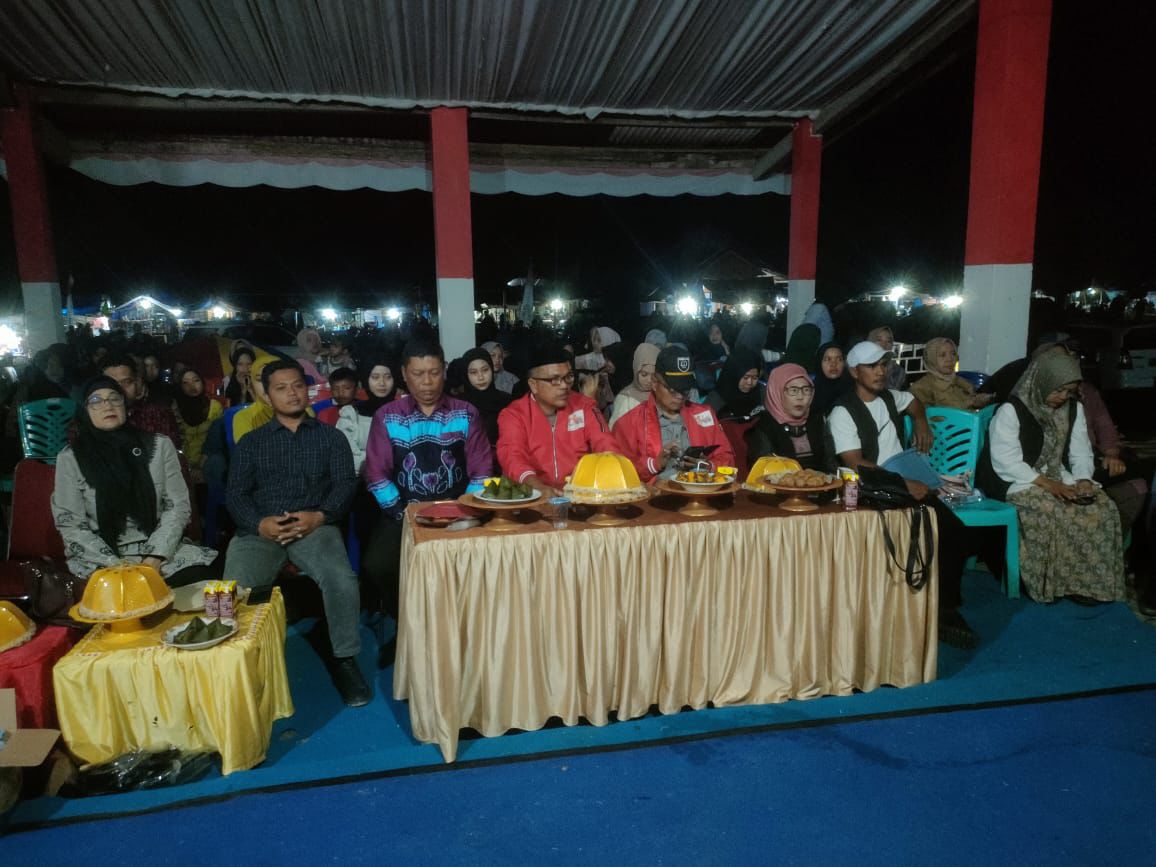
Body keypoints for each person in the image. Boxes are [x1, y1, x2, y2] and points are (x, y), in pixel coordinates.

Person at [224, 360, 370, 707]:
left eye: (297, 386)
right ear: (267, 396)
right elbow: (236, 495)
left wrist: (320, 516)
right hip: (262, 529)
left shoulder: (331, 438)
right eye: (281, 388)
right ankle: (235, 664)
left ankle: (344, 658)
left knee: (341, 579)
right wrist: (259, 524)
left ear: (307, 390)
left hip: (313, 526)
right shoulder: (252, 442)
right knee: (232, 589)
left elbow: (344, 484)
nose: (292, 393)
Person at [830, 341, 977, 649]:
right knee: (932, 530)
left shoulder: (890, 396)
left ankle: (944, 609)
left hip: (904, 480)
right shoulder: (842, 411)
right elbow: (856, 462)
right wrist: (903, 483)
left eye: (883, 365)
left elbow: (912, 401)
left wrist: (921, 421)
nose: (880, 371)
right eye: (872, 366)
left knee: (956, 533)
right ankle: (925, 610)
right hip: (873, 486)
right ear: (855, 372)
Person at [976, 352, 1125, 604]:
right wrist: (1049, 485)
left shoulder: (1074, 409)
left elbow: (1080, 451)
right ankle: (1047, 583)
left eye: (1068, 392)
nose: (1063, 397)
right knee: (1050, 508)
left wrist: (1083, 479)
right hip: (1014, 479)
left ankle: (1087, 585)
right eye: (1058, 390)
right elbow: (1006, 461)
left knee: (1102, 507)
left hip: (1055, 474)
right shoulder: (1012, 410)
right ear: (1041, 381)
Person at [362, 340, 493, 624]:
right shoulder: (387, 416)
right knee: (379, 565)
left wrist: (463, 512)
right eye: (418, 373)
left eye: (434, 372)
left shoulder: (466, 413)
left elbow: (482, 471)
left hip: (459, 509)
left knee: (480, 560)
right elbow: (376, 473)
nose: (427, 382)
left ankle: (463, 623)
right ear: (404, 374)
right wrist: (403, 515)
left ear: (443, 371)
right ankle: (408, 622)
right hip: (403, 511)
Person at [52, 377, 217, 584]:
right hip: (101, 558)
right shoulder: (71, 458)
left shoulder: (159, 446)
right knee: (119, 591)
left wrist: (155, 557)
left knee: (200, 579)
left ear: (126, 406)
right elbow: (71, 524)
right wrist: (116, 565)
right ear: (84, 411)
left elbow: (177, 507)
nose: (108, 405)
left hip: (158, 551)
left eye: (114, 398)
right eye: (96, 401)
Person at [496, 341, 619, 494]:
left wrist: (615, 471)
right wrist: (538, 488)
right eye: (554, 380)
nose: (564, 386)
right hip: (530, 496)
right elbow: (513, 457)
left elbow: (606, 443)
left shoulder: (584, 406)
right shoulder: (514, 415)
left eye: (568, 377)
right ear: (533, 385)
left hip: (580, 495)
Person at [614, 345, 735, 483]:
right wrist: (654, 465)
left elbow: (728, 461)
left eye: (685, 390)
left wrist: (708, 467)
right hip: (655, 495)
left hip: (701, 494)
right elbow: (619, 471)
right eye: (672, 389)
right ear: (654, 382)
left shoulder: (705, 415)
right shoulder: (630, 423)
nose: (680, 396)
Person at [746, 363, 831, 470]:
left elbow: (831, 464)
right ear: (777, 392)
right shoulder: (764, 426)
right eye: (793, 390)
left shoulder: (817, 420)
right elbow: (763, 472)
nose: (800, 397)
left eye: (806, 390)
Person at [101, 353, 182, 452]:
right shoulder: (93, 421)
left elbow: (173, 454)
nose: (120, 389)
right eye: (112, 384)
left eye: (127, 382)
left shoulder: (158, 415)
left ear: (137, 382)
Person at [908, 337, 993, 410]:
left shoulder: (960, 382)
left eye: (953, 354)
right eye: (942, 355)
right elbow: (932, 417)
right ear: (931, 358)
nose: (950, 359)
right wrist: (970, 403)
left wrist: (979, 401)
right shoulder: (921, 388)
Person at [173, 368, 224, 482]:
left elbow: (216, 441)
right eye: (185, 383)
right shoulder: (175, 409)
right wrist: (188, 467)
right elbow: (176, 441)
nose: (192, 386)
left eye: (196, 380)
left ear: (202, 382)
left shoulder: (214, 407)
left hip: (208, 459)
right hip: (183, 462)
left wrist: (200, 466)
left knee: (216, 462)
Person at [458, 347, 512, 451]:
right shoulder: (459, 405)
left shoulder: (506, 401)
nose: (481, 377)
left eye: (485, 370)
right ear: (466, 375)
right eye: (474, 372)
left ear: (491, 369)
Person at [608, 342, 659, 429]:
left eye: (654, 376)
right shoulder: (625, 399)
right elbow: (615, 430)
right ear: (636, 371)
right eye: (644, 374)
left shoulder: (662, 395)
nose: (649, 380)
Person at [703, 348, 763, 420]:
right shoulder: (715, 401)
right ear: (733, 375)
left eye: (755, 378)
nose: (750, 382)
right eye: (745, 377)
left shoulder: (760, 393)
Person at [812, 342, 852, 417]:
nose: (833, 364)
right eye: (827, 359)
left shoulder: (853, 390)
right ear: (819, 362)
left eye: (839, 359)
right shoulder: (810, 393)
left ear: (844, 363)